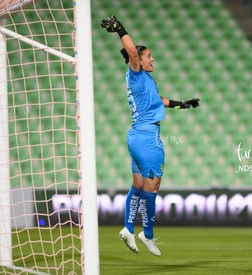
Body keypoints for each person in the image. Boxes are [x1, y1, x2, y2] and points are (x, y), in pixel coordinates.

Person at [101, 15, 200, 256]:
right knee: (152, 188)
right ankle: (147, 233)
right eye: (149, 56)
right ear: (139, 61)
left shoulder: (145, 79)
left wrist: (182, 104)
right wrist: (119, 29)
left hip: (135, 136)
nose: (152, 58)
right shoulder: (135, 72)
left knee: (137, 185)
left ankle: (127, 227)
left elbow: (160, 101)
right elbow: (132, 52)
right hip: (148, 139)